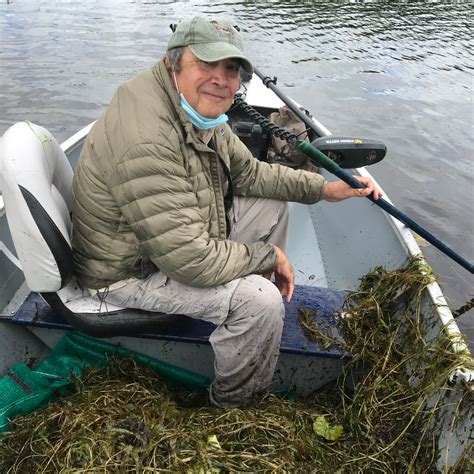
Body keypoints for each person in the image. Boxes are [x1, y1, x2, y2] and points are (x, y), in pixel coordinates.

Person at [71, 15, 382, 408]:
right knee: (261, 303)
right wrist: (269, 256)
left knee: (271, 203)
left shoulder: (198, 109)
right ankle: (231, 405)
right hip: (126, 272)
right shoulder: (146, 135)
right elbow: (189, 258)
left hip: (168, 242)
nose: (221, 79)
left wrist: (325, 189)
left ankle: (243, 325)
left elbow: (249, 173)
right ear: (174, 62)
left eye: (231, 69)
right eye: (206, 64)